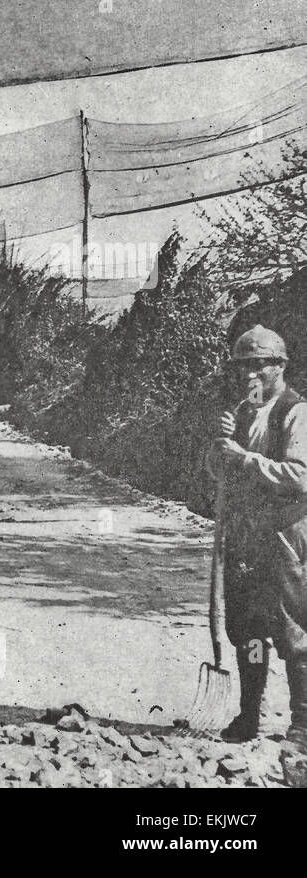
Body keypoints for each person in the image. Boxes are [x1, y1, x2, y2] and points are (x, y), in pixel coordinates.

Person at [206, 325, 307, 776]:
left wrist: (245, 460)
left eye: (259, 364)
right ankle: (250, 715)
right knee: (247, 626)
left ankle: (303, 725)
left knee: (292, 630)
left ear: (280, 367)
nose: (250, 372)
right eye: (243, 365)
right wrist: (219, 447)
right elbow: (218, 473)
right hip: (245, 535)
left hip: (286, 536)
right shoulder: (241, 413)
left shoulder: (296, 412)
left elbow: (301, 476)